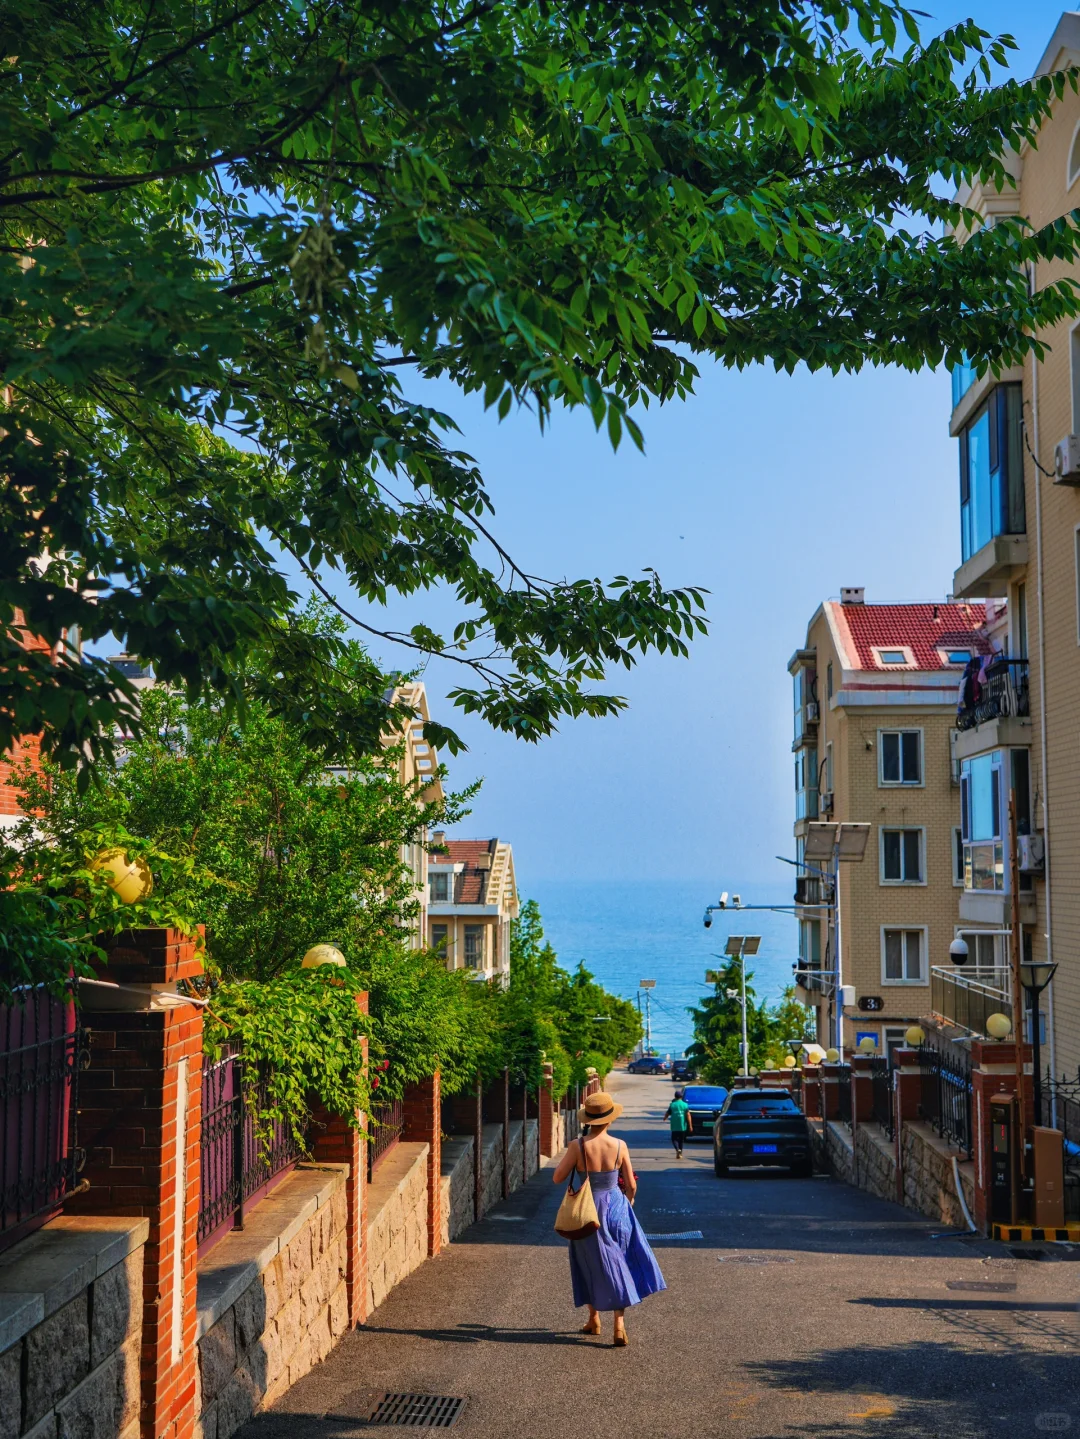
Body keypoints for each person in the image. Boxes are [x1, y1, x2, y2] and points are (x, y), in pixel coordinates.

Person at [552, 1089, 666, 1346]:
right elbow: (631, 1184)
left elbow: (557, 1177)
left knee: (588, 1263)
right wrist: (629, 1200)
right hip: (616, 1207)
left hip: (587, 1211)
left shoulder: (577, 1145)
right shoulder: (619, 1145)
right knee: (621, 1261)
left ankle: (594, 1318)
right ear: (609, 1118)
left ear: (587, 1120)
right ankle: (619, 1325)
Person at [663, 1089, 692, 1158]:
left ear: (675, 1097)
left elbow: (668, 1113)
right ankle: (680, 1153)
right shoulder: (685, 1105)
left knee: (674, 1139)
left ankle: (677, 1150)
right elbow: (688, 1115)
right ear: (681, 1097)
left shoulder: (672, 1105)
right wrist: (690, 1125)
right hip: (682, 1126)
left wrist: (665, 1118)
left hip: (675, 1126)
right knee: (681, 1140)